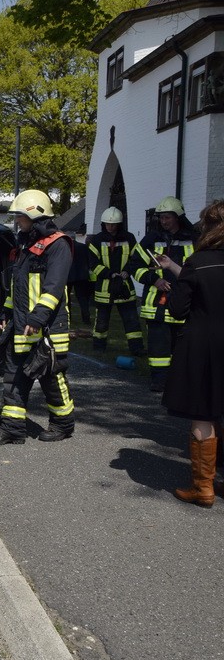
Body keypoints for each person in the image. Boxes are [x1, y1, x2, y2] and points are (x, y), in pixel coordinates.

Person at [0, 190, 75, 446]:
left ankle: (62, 424)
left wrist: (37, 319)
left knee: (51, 378)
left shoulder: (58, 244)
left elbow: (54, 288)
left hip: (47, 326)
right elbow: (19, 288)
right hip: (22, 324)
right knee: (14, 375)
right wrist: (6, 313)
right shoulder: (24, 245)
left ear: (34, 215)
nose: (17, 221)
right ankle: (12, 429)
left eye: (20, 216)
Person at [153, 200, 224, 507]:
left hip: (204, 345)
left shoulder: (199, 261)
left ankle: (203, 487)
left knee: (203, 414)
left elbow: (179, 309)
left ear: (208, 227)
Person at [126, 196, 199, 392]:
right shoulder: (151, 240)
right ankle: (159, 380)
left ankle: (180, 380)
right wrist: (154, 280)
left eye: (167, 217)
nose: (163, 221)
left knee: (182, 346)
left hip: (185, 302)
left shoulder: (194, 239)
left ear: (178, 217)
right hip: (156, 304)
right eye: (161, 218)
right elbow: (135, 266)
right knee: (158, 347)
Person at [87, 207, 145, 356]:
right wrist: (110, 274)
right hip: (104, 287)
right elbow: (92, 263)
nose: (110, 227)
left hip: (124, 285)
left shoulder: (129, 238)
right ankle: (98, 346)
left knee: (131, 319)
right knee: (101, 320)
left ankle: (136, 348)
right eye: (107, 224)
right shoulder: (97, 240)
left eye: (113, 224)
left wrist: (127, 271)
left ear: (120, 224)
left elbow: (136, 258)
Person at [66, 224, 92, 325]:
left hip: (68, 276)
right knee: (82, 298)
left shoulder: (64, 248)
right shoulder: (83, 247)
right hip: (82, 276)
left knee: (67, 298)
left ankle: (68, 317)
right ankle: (86, 318)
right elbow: (89, 261)